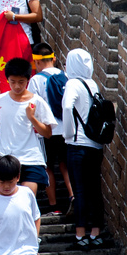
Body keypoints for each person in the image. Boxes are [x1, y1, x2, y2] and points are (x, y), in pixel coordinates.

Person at [0, 56, 56, 197]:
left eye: (21, 82)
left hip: (31, 158)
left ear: (27, 80)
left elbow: (48, 133)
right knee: (8, 199)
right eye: (13, 82)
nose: (17, 86)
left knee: (27, 198)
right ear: (7, 79)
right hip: (6, 159)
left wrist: (32, 117)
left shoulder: (37, 101)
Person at [62, 48, 106, 249]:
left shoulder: (72, 83)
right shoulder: (92, 83)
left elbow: (66, 107)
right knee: (94, 190)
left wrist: (68, 133)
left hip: (78, 145)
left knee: (80, 191)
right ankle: (96, 234)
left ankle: (80, 236)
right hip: (95, 146)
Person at [28, 42, 73, 215]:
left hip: (47, 131)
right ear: (53, 59)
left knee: (47, 167)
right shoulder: (66, 76)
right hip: (66, 130)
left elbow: (33, 107)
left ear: (37, 62)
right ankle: (72, 195)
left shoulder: (36, 80)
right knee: (65, 164)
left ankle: (54, 206)